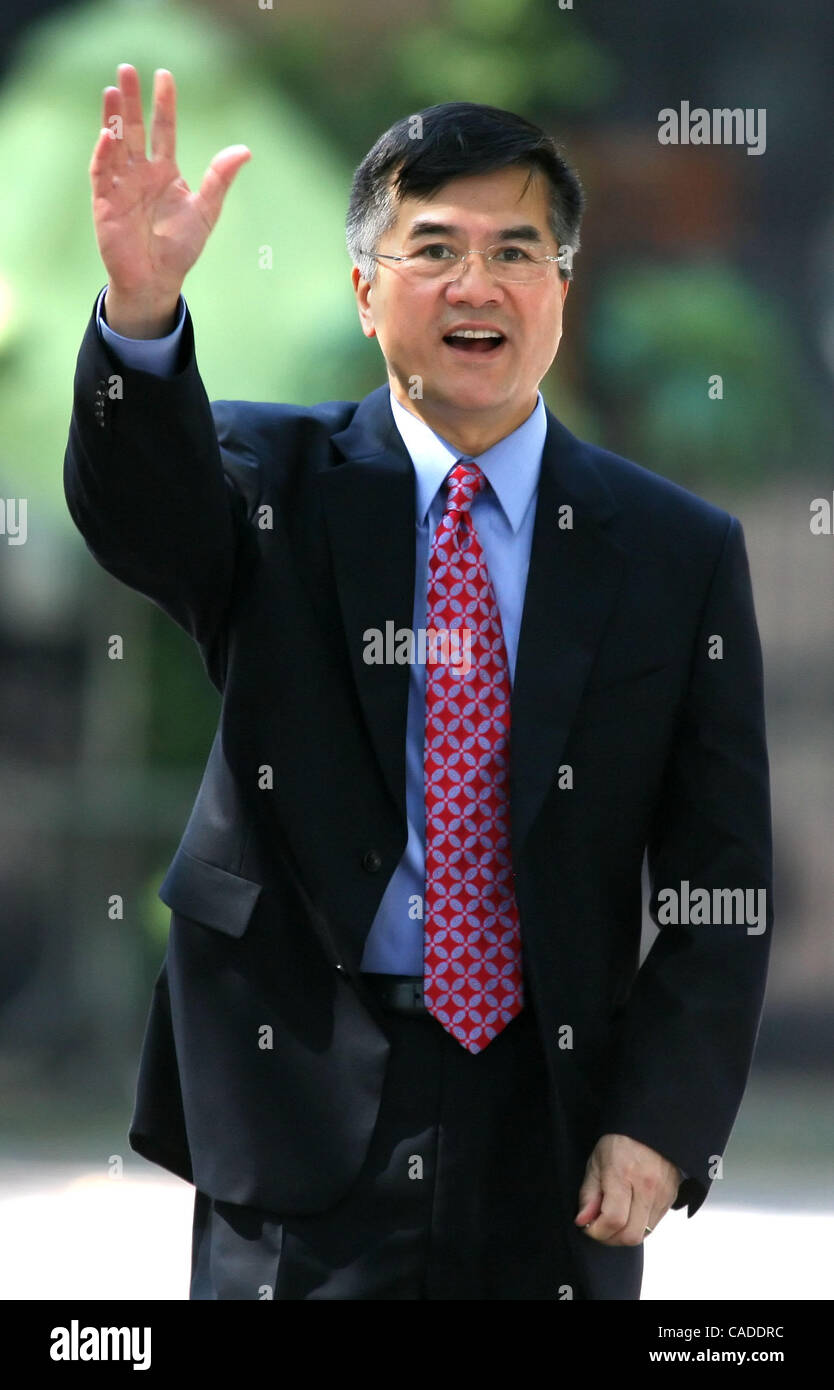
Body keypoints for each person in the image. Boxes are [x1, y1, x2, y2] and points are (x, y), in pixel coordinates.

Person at [63, 65, 773, 1300]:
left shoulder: (675, 551)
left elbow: (722, 879)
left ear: (563, 285)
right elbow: (141, 514)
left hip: (556, 1116)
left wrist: (664, 1120)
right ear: (365, 288)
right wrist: (140, 309)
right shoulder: (266, 477)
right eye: (431, 247)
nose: (474, 283)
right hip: (303, 1098)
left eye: (515, 249)